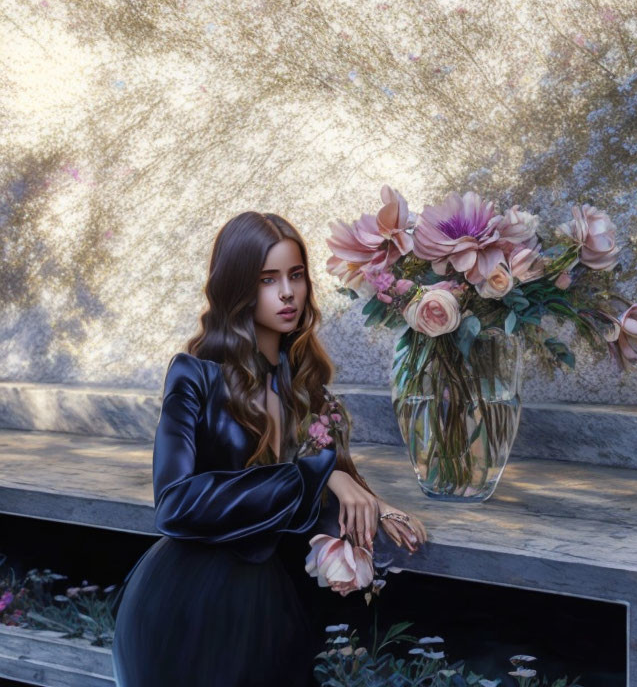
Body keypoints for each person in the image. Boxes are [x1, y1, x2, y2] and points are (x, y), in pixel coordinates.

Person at [111, 211, 427, 687]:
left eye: (296, 275)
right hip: (187, 605)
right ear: (237, 287)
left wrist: (375, 503)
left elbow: (326, 477)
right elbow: (173, 502)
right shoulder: (195, 374)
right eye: (267, 279)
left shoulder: (307, 386)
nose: (287, 293)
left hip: (270, 603)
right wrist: (315, 476)